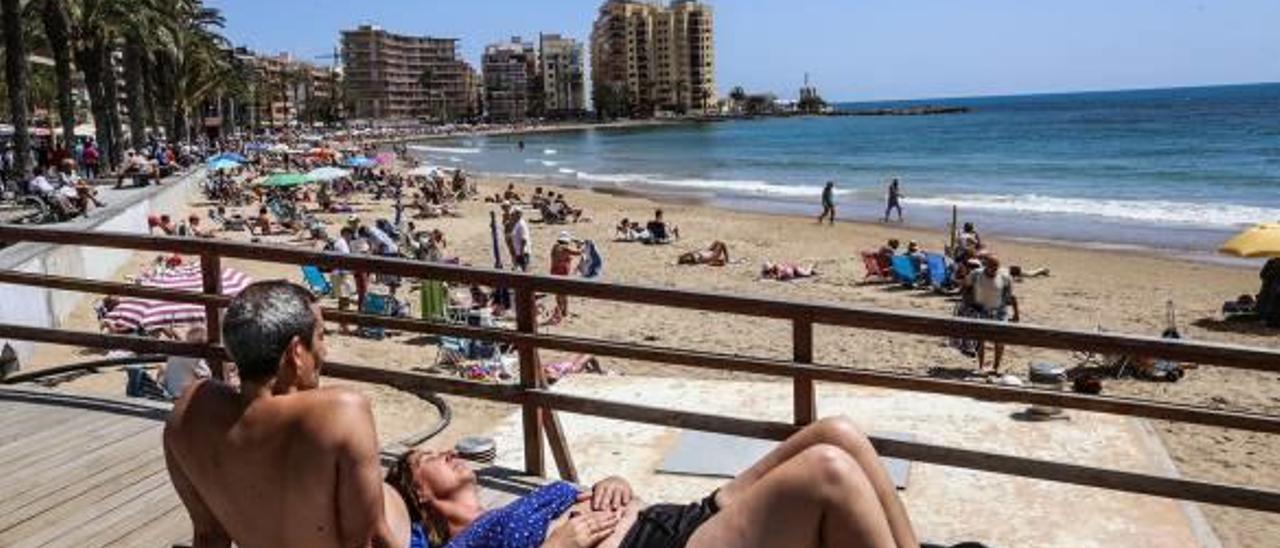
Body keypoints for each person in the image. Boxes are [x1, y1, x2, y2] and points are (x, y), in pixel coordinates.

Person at [388, 416, 918, 548]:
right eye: (430, 457)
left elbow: (606, 496)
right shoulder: (466, 543)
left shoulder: (512, 504)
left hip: (673, 515)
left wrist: (613, 481)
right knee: (826, 470)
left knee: (837, 433)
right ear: (421, 495)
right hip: (660, 545)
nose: (450, 452)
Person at [164, 281, 412, 548]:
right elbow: (371, 540)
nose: (324, 351)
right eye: (320, 336)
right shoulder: (342, 412)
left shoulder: (189, 414)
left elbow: (209, 538)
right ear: (296, 352)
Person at [963, 255, 1020, 373]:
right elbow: (965, 288)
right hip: (981, 310)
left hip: (999, 311)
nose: (994, 270)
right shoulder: (976, 274)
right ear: (986, 265)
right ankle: (981, 366)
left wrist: (1015, 314)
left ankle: (996, 367)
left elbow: (1010, 296)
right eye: (992, 267)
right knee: (980, 340)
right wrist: (969, 303)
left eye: (996, 267)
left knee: (999, 340)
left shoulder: (1005, 277)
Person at [159, 327, 212, 397]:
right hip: (187, 398)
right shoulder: (196, 358)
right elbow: (207, 377)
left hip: (171, 395)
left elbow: (164, 381)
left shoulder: (174, 355)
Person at [549, 232, 582, 324]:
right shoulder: (564, 248)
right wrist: (579, 244)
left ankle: (561, 311)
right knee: (563, 294)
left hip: (554, 273)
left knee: (558, 294)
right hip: (562, 274)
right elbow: (579, 252)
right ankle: (563, 312)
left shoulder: (555, 247)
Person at [509, 208, 532, 272]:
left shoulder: (521, 224)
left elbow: (524, 239)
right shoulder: (517, 223)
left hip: (523, 252)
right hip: (519, 252)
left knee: (524, 270)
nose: (512, 216)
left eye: (513, 214)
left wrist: (521, 252)